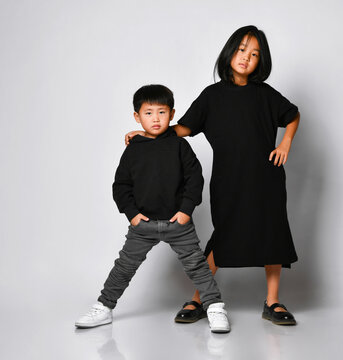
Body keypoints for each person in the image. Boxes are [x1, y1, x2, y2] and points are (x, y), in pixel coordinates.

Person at [125, 26, 300, 326]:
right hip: (229, 180)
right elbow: (183, 128)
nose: (246, 58)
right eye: (242, 49)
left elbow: (292, 114)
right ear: (230, 50)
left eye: (255, 54)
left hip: (266, 179)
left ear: (262, 61)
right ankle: (199, 298)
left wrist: (284, 143)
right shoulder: (212, 95)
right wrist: (148, 132)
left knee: (273, 234)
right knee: (224, 236)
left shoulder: (265, 94)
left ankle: (272, 302)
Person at [75, 84, 230, 333]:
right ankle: (104, 307)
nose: (155, 118)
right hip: (143, 225)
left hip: (178, 224)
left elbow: (195, 179)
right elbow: (121, 185)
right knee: (124, 267)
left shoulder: (179, 145)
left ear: (172, 114)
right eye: (148, 113)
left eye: (162, 112)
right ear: (137, 116)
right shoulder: (133, 149)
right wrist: (133, 215)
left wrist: (186, 211)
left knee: (197, 266)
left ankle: (214, 307)